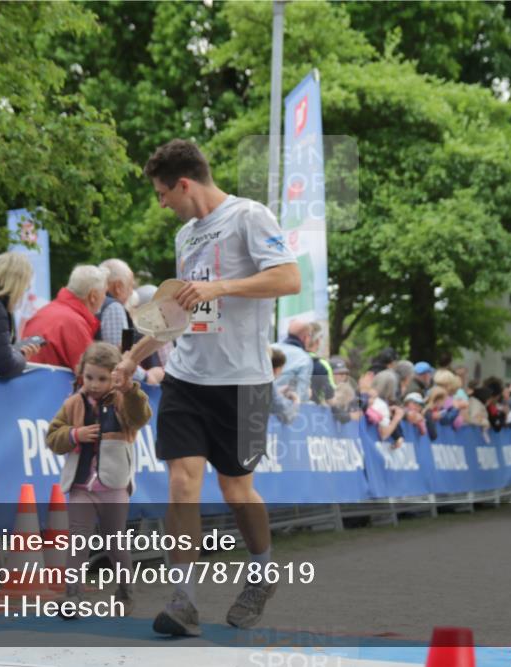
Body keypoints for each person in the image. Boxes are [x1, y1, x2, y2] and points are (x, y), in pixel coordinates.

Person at [113, 139, 300, 636]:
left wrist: (222, 286)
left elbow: (289, 278)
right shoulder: (185, 238)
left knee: (237, 490)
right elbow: (180, 311)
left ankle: (262, 572)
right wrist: (132, 357)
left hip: (243, 380)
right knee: (182, 482)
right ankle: (184, 601)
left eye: (161, 193)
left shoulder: (249, 216)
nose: (161, 204)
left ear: (184, 184)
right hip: (187, 377)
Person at [45, 342, 151, 617]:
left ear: (115, 377)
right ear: (82, 374)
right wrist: (73, 435)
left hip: (114, 486)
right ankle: (72, 595)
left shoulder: (123, 401)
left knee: (115, 542)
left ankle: (126, 592)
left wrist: (130, 389)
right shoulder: (72, 403)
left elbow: (141, 417)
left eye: (102, 379)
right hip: (81, 485)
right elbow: (52, 437)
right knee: (78, 540)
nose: (94, 384)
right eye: (89, 377)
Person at [22, 265, 108, 369]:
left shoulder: (47, 310)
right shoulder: (74, 322)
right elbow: (89, 373)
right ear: (93, 296)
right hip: (53, 384)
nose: (105, 298)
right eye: (104, 293)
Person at [97, 259, 165, 385]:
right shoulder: (114, 308)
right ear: (118, 287)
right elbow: (119, 357)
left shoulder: (97, 303)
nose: (132, 292)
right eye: (130, 286)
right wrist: (147, 376)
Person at [274, 319, 314, 402]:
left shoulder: (270, 349)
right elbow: (301, 395)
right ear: (305, 337)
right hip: (283, 409)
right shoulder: (304, 359)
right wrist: (307, 394)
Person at [269, 347, 299, 424]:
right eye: (282, 368)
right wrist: (296, 401)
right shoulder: (270, 385)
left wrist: (278, 391)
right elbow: (287, 415)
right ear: (277, 369)